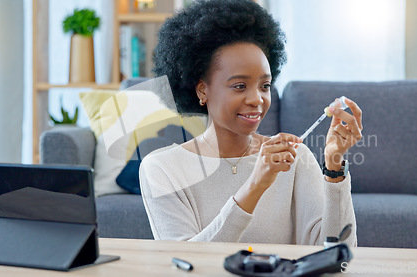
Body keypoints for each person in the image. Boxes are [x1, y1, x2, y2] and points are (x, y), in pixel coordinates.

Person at [140, 0, 363, 246]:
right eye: (239, 86)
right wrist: (255, 184)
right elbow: (185, 263)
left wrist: (334, 167)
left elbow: (337, 253)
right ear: (203, 90)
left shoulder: (295, 158)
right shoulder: (162, 169)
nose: (257, 99)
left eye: (264, 86)